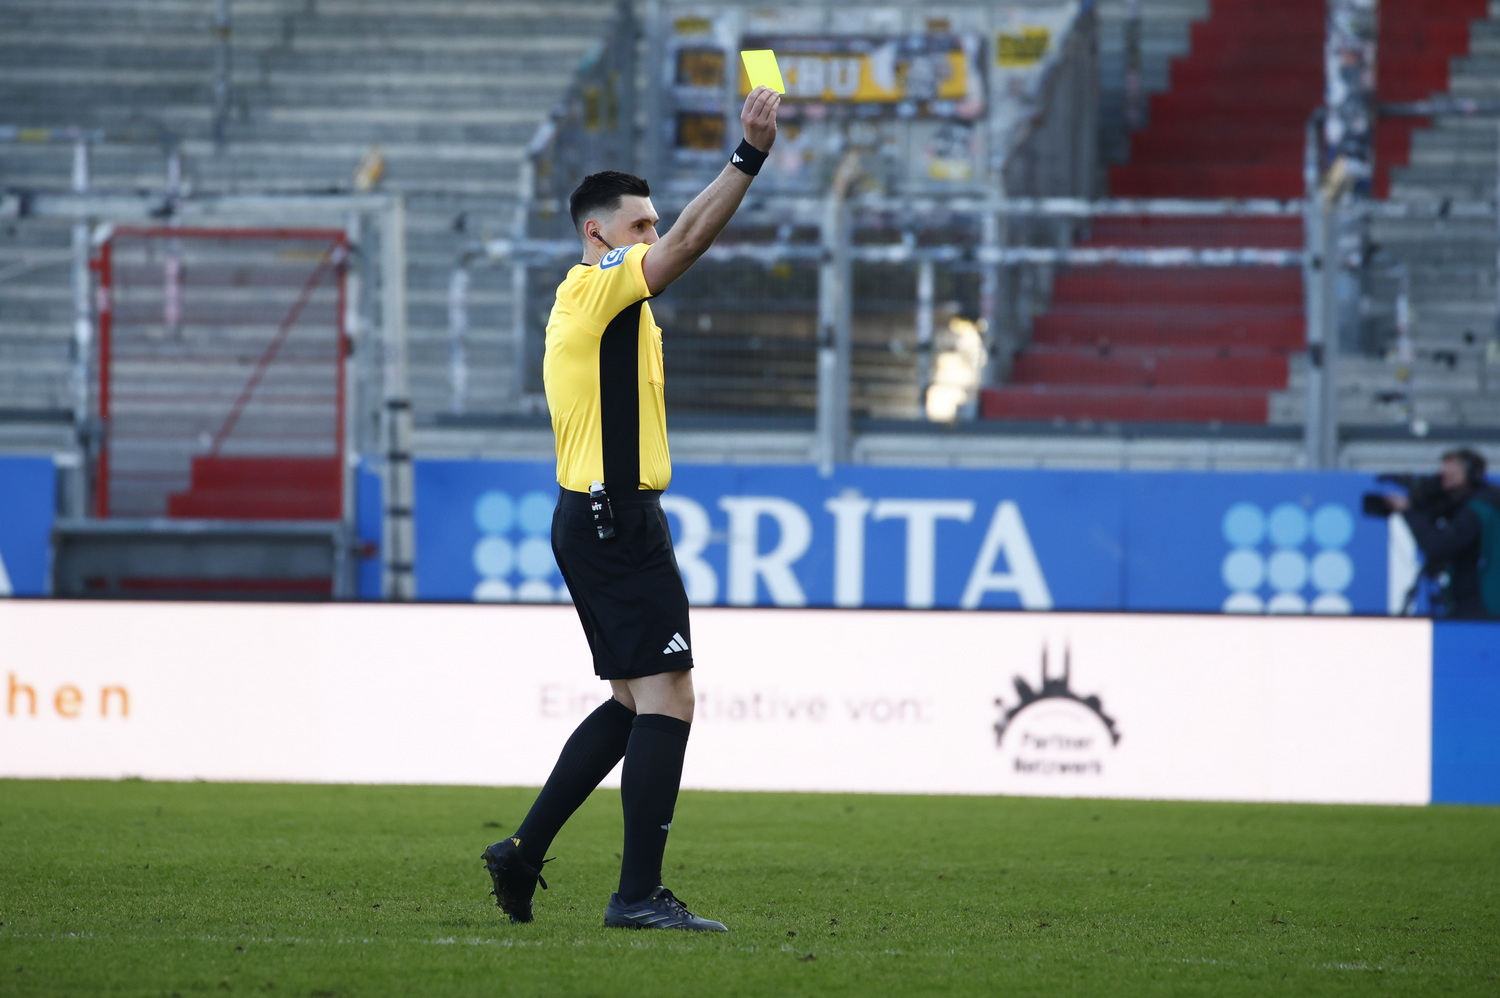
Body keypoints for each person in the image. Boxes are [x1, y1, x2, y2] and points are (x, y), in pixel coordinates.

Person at [482, 85, 781, 932]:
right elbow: (689, 241)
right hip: (612, 519)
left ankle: (522, 853)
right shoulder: (597, 288)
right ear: (597, 234)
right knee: (671, 696)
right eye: (638, 225)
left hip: (600, 517)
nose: (652, 235)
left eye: (651, 223)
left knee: (632, 702)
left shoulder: (613, 305)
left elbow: (676, 243)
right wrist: (748, 156)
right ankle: (637, 896)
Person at [1382, 448, 1500, 619]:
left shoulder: (1479, 510)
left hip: (1482, 604)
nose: (1443, 483)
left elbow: (1439, 545)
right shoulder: (1480, 504)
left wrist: (1410, 512)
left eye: (1449, 476)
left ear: (1469, 474)